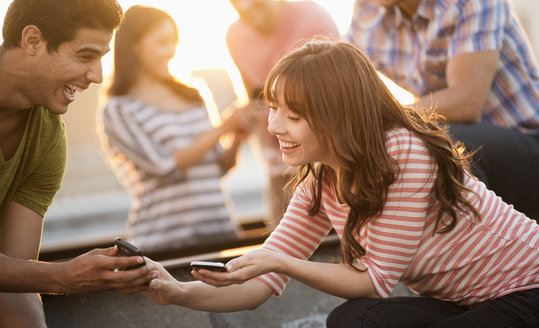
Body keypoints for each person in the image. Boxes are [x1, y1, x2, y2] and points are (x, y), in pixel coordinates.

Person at [141, 41, 539, 327]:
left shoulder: (401, 152)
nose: (273, 126)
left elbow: (375, 282)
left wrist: (280, 260)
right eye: (274, 108)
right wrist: (176, 291)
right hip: (471, 303)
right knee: (354, 320)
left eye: (293, 116)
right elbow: (259, 286)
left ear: (338, 117)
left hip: (527, 289)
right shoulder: (321, 178)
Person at [0, 0, 155, 327]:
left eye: (101, 58)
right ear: (33, 40)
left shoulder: (48, 138)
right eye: (85, 55)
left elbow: (14, 275)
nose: (97, 75)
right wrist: (63, 276)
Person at [343, 0, 539, 220]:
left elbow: (466, 101)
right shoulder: (367, 11)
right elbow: (341, 80)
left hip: (526, 144)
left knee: (440, 142)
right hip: (464, 142)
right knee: (382, 144)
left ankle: (469, 254)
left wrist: (385, 118)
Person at [98, 5, 254, 253]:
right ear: (134, 46)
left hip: (220, 232)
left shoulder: (194, 94)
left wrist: (236, 135)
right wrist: (223, 127)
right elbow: (164, 167)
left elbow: (219, 167)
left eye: (173, 43)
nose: (170, 51)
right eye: (162, 42)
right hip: (163, 246)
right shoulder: (119, 109)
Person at [217, 0, 340, 229]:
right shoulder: (234, 35)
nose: (244, 4)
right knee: (280, 246)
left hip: (327, 160)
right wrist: (237, 145)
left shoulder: (312, 15)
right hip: (278, 163)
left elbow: (339, 91)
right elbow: (253, 96)